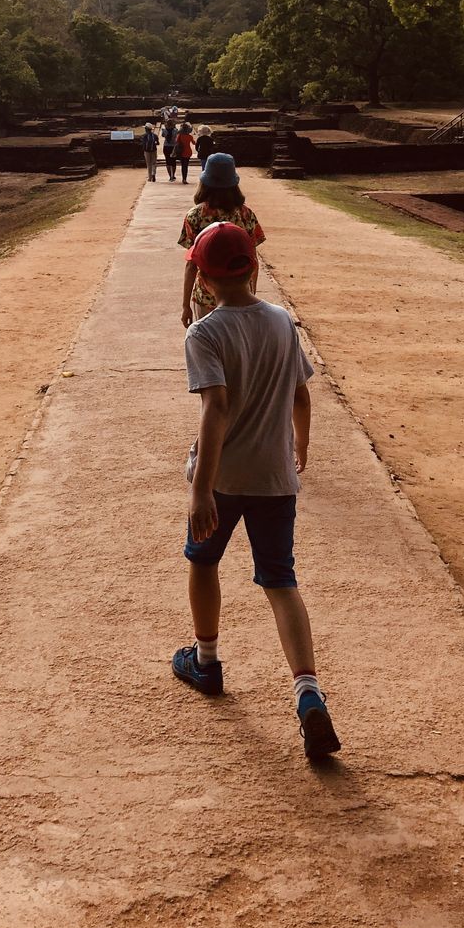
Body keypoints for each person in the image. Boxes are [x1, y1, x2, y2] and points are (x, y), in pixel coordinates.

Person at [172, 221, 341, 762]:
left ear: (202, 278)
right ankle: (308, 693)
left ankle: (207, 660)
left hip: (223, 479)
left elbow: (216, 409)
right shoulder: (282, 323)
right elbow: (300, 396)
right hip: (275, 478)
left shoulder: (204, 334)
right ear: (255, 267)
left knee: (203, 562)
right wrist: (300, 447)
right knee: (280, 580)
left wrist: (201, 491)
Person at [178, 152, 264, 325]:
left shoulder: (195, 216)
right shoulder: (246, 214)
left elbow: (191, 264)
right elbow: (252, 258)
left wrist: (185, 305)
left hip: (206, 296)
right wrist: (251, 293)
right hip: (240, 295)